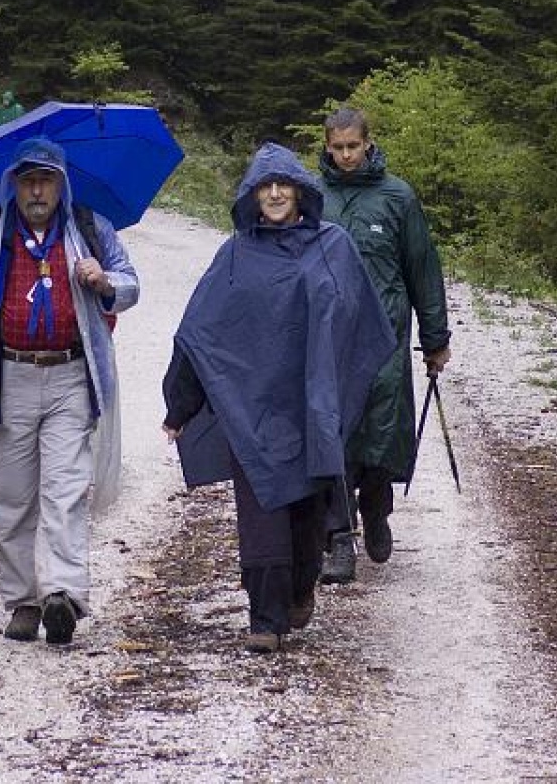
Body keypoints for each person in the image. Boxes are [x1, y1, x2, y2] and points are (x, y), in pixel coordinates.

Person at [162, 142, 395, 653]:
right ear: (251, 194)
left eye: (283, 184)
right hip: (253, 407)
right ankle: (264, 618)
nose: (273, 194)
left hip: (312, 407)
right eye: (264, 186)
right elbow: (201, 332)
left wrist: (352, 386)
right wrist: (180, 404)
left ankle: (300, 589)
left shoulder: (332, 246)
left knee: (307, 512)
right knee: (261, 510)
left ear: (300, 191)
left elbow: (361, 322)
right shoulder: (235, 255)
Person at [0, 137, 138, 646]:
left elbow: (130, 284)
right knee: (12, 493)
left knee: (65, 489)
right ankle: (23, 600)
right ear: (13, 185)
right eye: (28, 181)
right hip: (9, 375)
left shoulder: (89, 228)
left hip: (70, 375)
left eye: (46, 180)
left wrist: (104, 280)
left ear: (62, 184)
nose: (37, 190)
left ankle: (61, 593)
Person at [318, 106, 452, 583]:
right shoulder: (312, 197)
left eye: (354, 146)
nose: (347, 155)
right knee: (330, 433)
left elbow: (422, 268)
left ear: (368, 144)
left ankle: (376, 508)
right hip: (327, 338)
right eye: (338, 147)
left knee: (380, 431)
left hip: (385, 337)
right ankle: (339, 538)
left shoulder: (398, 197)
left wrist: (435, 338)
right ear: (327, 147)